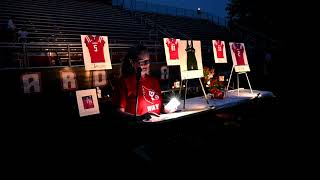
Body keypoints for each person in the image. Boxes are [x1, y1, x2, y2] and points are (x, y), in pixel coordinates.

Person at [112, 44, 176, 122]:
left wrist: (165, 109)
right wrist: (138, 118)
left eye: (147, 61)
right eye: (141, 61)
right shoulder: (124, 82)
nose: (146, 64)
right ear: (132, 62)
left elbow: (158, 106)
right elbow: (118, 112)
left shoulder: (154, 81)